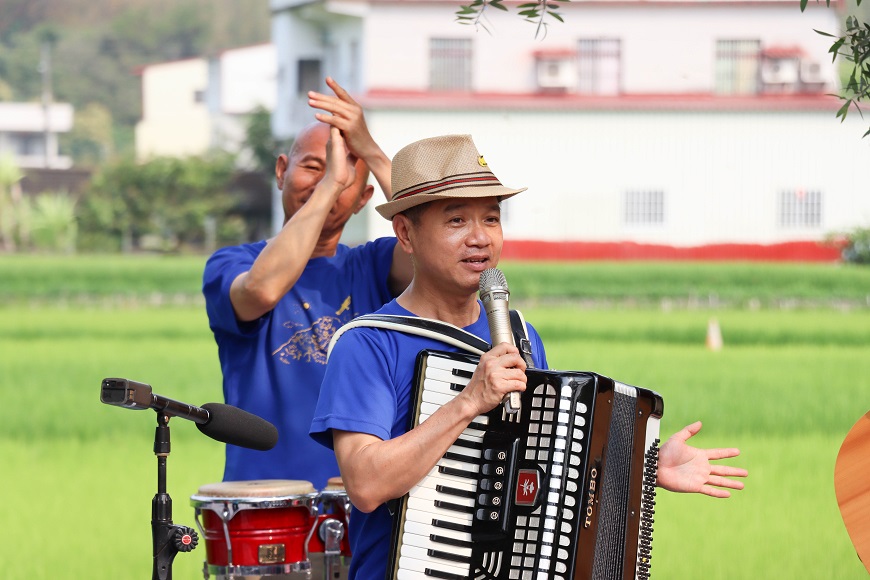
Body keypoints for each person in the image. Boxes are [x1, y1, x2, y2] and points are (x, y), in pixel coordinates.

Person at [310, 134, 749, 579]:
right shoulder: (366, 344)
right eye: (456, 220)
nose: (480, 238)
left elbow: (543, 464)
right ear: (405, 233)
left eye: (492, 218)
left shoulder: (519, 334)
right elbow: (365, 486)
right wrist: (467, 402)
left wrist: (642, 470)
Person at [202, 77, 413, 490]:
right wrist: (334, 183)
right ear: (282, 171)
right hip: (263, 504)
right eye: (312, 168)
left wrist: (368, 147)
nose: (324, 181)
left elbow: (432, 245)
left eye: (342, 177)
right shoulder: (233, 263)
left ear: (365, 199)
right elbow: (261, 291)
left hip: (363, 502)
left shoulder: (373, 266)